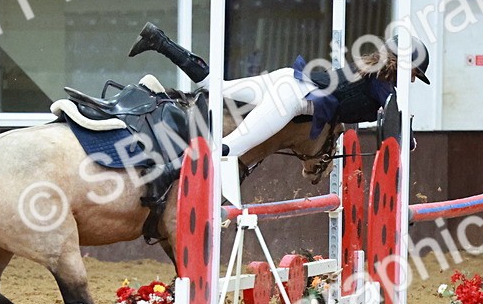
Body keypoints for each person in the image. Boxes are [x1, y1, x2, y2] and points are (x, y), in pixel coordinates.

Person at [130, 22, 430, 202]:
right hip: (293, 96)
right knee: (231, 147)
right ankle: (161, 175)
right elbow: (397, 126)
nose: (414, 79)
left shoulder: (368, 65)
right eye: (414, 73)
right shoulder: (382, 85)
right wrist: (410, 139)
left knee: (216, 85)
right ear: (405, 66)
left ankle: (160, 41)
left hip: (286, 78)